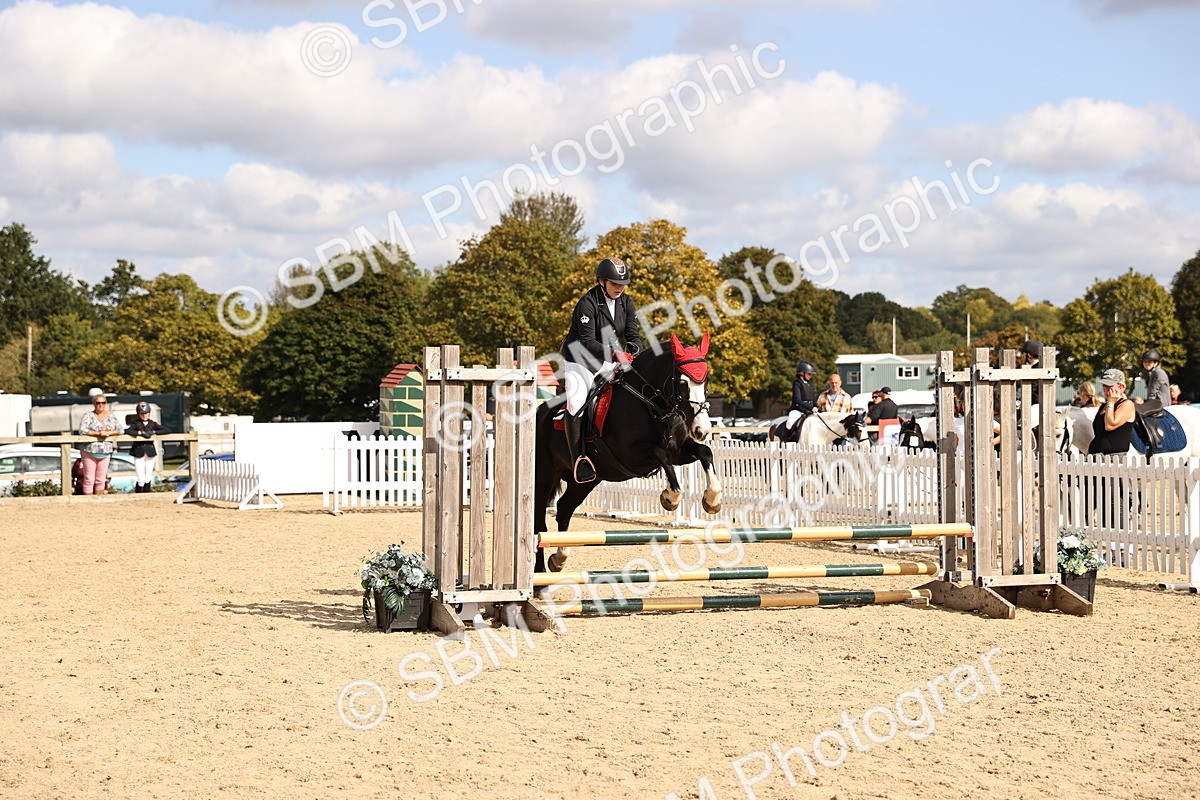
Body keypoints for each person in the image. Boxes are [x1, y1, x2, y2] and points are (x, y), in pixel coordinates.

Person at [560, 256, 643, 482]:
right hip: (580, 358)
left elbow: (633, 335)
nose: (619, 288)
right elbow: (587, 342)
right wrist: (616, 354)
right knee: (577, 402)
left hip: (608, 356)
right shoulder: (587, 303)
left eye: (622, 284)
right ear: (601, 282)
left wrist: (634, 350)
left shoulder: (626, 302)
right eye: (615, 283)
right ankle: (579, 460)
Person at [77, 391, 123, 495]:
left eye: (103, 402)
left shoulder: (111, 416)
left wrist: (109, 433)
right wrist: (98, 433)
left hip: (105, 451)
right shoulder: (88, 416)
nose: (101, 405)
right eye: (98, 403)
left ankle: (99, 499)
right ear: (94, 404)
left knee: (101, 479)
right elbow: (82, 430)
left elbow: (120, 429)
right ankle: (88, 500)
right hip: (89, 450)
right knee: (89, 478)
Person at [1089, 369, 1136, 455]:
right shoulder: (1103, 406)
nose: (1106, 388)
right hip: (1096, 457)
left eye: (1109, 385)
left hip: (1114, 458)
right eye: (1104, 385)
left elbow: (1110, 425)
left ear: (1121, 387)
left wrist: (1111, 402)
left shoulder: (1127, 404)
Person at [125, 401, 169, 493]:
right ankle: (139, 494)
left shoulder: (153, 424)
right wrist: (140, 433)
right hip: (138, 451)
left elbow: (166, 430)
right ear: (138, 414)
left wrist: (154, 432)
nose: (144, 415)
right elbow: (128, 431)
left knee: (148, 476)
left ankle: (147, 494)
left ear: (149, 413)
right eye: (142, 414)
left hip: (150, 451)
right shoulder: (136, 424)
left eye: (146, 413)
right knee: (141, 477)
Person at [783, 361, 817, 433]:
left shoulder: (810, 384)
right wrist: (810, 407)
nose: (810, 376)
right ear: (802, 373)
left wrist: (816, 406)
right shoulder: (797, 383)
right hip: (798, 410)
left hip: (810, 410)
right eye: (809, 374)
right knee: (790, 423)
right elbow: (797, 400)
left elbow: (814, 399)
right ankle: (786, 439)